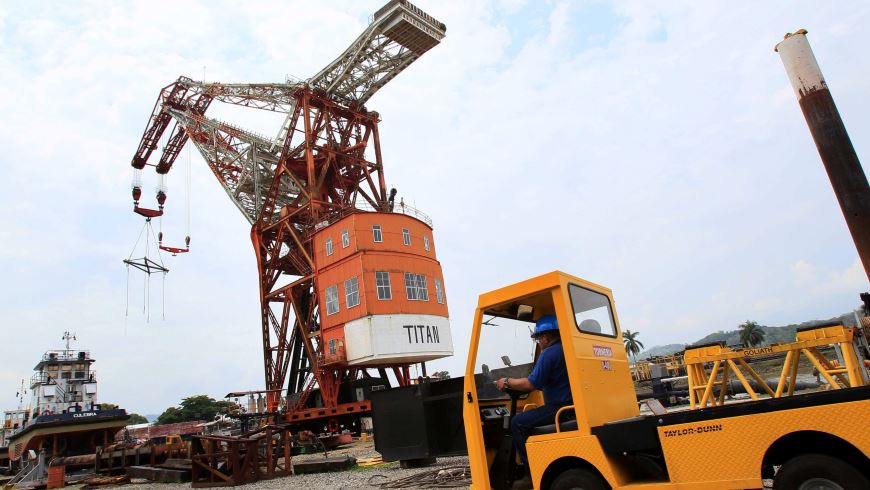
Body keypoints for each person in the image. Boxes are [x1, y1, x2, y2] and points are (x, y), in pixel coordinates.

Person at [496, 314, 572, 490]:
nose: (538, 342)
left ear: (546, 337)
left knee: (517, 422)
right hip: (570, 407)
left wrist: (507, 381)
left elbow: (531, 384)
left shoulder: (549, 353)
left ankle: (530, 474)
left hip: (559, 408)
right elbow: (549, 381)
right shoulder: (566, 349)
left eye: (538, 339)